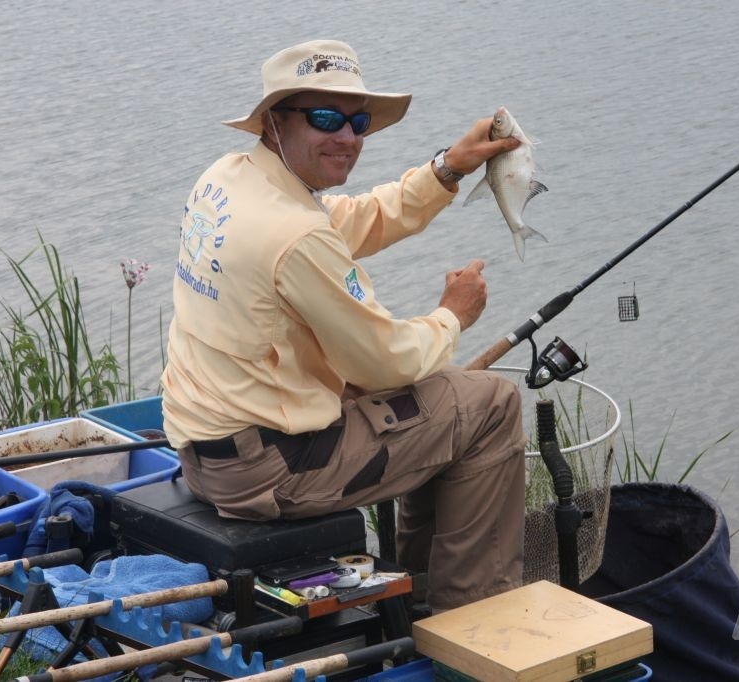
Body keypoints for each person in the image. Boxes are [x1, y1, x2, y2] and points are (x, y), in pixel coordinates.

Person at [160, 39, 527, 611]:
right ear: (275, 122)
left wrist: (447, 168)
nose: (349, 138)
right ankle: (470, 614)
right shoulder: (295, 236)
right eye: (326, 118)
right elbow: (388, 361)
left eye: (358, 122)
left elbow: (343, 222)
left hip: (204, 453)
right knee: (490, 404)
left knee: (441, 398)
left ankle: (417, 588)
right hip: (274, 473)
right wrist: (453, 313)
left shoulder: (229, 179)